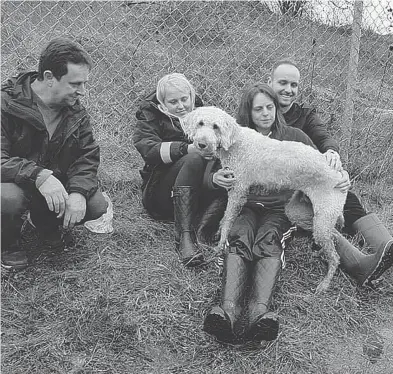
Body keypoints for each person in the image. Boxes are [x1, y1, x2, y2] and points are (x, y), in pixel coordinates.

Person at [203, 83, 317, 344]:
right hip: (246, 206)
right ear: (249, 113)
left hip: (279, 209)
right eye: (258, 109)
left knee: (268, 239)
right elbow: (209, 172)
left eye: (270, 107)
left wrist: (335, 164)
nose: (265, 113)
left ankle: (259, 311)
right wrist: (215, 178)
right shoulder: (234, 138)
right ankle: (228, 311)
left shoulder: (294, 136)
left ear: (277, 109)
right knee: (240, 235)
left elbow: (318, 162)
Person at [268, 59, 393, 285]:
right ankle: (360, 262)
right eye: (282, 83)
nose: (288, 90)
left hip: (312, 178)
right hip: (285, 188)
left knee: (342, 190)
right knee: (316, 213)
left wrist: (333, 154)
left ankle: (385, 246)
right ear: (270, 82)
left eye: (294, 85)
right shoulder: (262, 111)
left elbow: (323, 136)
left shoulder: (305, 115)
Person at [1, 38, 109, 271]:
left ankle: (44, 222)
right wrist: (39, 176)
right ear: (49, 77)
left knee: (96, 205)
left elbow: (87, 157)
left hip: (50, 185)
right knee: (7, 198)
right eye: (75, 84)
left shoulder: (75, 112)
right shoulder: (5, 104)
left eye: (84, 83)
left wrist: (79, 192)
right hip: (14, 183)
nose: (82, 92)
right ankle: (8, 243)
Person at [133, 73, 233, 267]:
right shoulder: (150, 116)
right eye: (173, 101)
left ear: (192, 96)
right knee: (195, 157)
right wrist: (186, 148)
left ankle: (207, 228)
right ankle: (184, 237)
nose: (180, 106)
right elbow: (148, 149)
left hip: (197, 191)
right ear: (162, 102)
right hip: (160, 194)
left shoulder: (203, 114)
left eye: (184, 99)